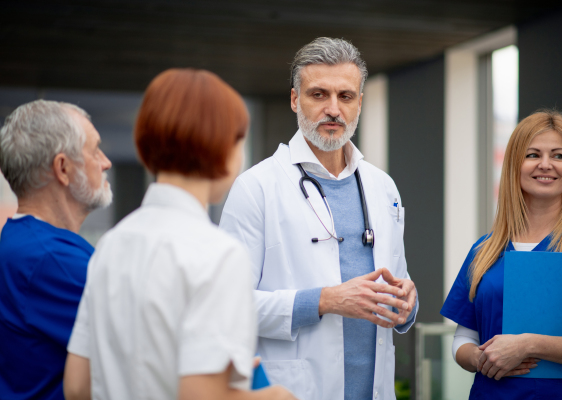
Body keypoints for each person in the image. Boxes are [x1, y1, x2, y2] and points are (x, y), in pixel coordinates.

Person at [63, 69, 296, 400]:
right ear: (223, 148)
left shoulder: (111, 245)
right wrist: (276, 397)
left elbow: (76, 386)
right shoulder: (219, 255)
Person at [219, 37, 418, 400]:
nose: (333, 109)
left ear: (359, 102)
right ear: (296, 100)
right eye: (318, 95)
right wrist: (325, 300)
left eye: (345, 96)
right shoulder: (256, 188)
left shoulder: (382, 187)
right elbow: (229, 306)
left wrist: (408, 303)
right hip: (295, 389)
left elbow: (399, 281)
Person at [441, 110, 562, 399]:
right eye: (532, 154)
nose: (546, 165)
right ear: (515, 165)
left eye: (558, 155)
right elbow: (464, 339)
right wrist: (480, 359)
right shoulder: (485, 249)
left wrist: (528, 345)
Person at [0, 100, 112, 399]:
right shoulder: (51, 260)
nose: (105, 162)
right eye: (95, 150)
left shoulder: (22, 244)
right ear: (63, 168)